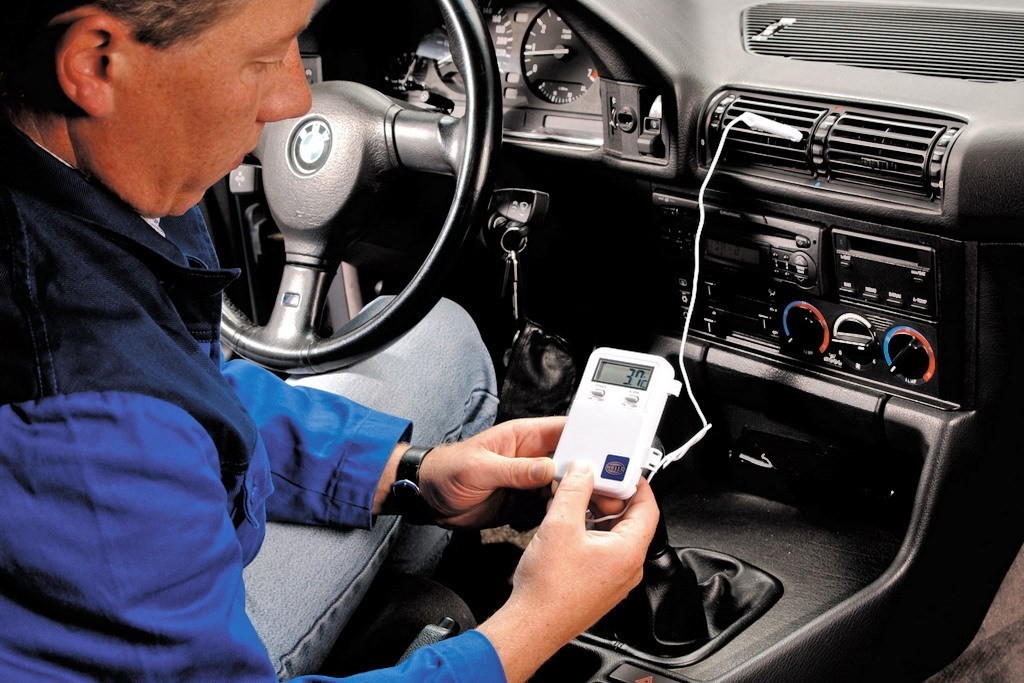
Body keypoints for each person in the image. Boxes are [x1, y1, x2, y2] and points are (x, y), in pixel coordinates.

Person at [0, 1, 660, 681]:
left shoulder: (82, 202)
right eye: (263, 58)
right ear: (95, 63)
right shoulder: (74, 403)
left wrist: (409, 474)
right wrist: (534, 624)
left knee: (439, 337)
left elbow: (183, 389)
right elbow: (131, 424)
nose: (296, 99)